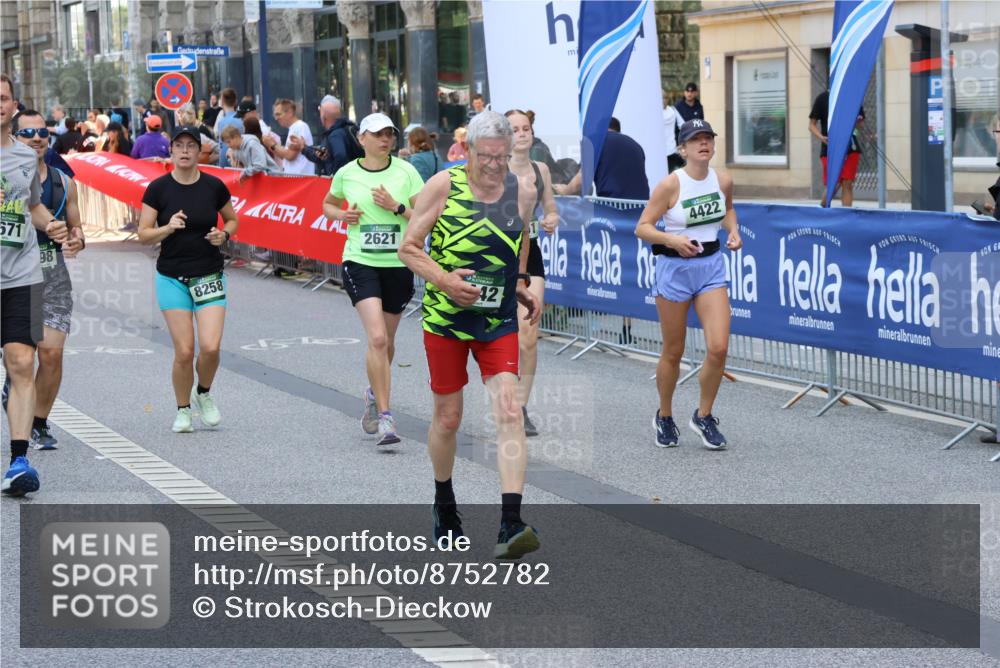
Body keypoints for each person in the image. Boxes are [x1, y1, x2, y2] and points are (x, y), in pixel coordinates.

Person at [399, 111, 542, 560]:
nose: (495, 166)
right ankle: (444, 504)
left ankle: (510, 522)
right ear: (468, 152)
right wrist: (444, 280)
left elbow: (518, 239)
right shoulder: (444, 185)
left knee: (508, 408)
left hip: (495, 319)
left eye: (502, 157)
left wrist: (519, 282)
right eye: (487, 157)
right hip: (446, 319)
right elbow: (409, 247)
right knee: (448, 417)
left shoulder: (521, 190)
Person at [635, 119, 741, 451]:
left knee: (719, 347)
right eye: (695, 139)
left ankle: (704, 415)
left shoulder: (722, 180)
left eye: (708, 137)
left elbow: (728, 209)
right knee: (673, 350)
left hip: (711, 266)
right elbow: (643, 227)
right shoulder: (670, 185)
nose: (703, 143)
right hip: (675, 268)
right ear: (683, 148)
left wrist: (733, 230)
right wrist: (672, 239)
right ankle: (665, 415)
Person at [321, 113, 424, 447]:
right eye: (378, 134)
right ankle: (385, 416)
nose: (385, 140)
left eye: (390, 134)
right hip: (360, 260)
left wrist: (396, 207)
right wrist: (342, 214)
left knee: (388, 343)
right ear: (362, 138)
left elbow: (425, 216)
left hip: (398, 261)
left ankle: (372, 391)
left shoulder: (406, 171)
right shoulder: (347, 173)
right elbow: (328, 204)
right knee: (377, 338)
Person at [137, 125, 239, 434]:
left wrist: (224, 234)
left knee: (210, 347)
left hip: (208, 273)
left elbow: (232, 220)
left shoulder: (213, 186)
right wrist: (167, 228)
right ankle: (183, 410)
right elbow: (143, 234)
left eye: (190, 146)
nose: (184, 151)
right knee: (184, 350)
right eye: (178, 145)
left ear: (199, 151)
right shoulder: (158, 189)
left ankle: (203, 393)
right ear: (171, 150)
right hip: (172, 277)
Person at [1, 75, 70, 495]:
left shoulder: (25, 159)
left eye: (4, 98)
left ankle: (18, 460)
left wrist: (54, 225)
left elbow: (32, 206)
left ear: (12, 105)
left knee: (22, 362)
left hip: (21, 274)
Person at [13, 110, 85, 450]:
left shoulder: (64, 182)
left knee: (52, 354)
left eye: (42, 132)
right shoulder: (6, 176)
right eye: (27, 133)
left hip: (54, 276)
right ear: (15, 137)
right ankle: (16, 384)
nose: (37, 138)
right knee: (23, 357)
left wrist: (76, 240)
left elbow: (78, 229)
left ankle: (39, 422)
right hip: (12, 275)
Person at [504, 110, 558, 437]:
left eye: (526, 128)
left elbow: (550, 207)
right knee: (500, 333)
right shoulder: (495, 167)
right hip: (499, 253)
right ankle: (504, 396)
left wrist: (551, 219)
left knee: (528, 336)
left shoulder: (541, 169)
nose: (522, 134)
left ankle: (520, 407)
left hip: (532, 252)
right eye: (515, 129)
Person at [809, 89, 865, 208]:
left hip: (851, 147)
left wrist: (856, 120)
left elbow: (860, 125)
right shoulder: (822, 98)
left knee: (847, 183)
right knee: (834, 184)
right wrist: (821, 137)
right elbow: (811, 125)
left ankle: (846, 217)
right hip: (830, 148)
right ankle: (822, 209)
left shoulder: (853, 96)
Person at [299, 95, 361, 176]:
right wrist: (304, 148)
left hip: (341, 184)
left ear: (323, 116)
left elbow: (340, 156)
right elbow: (322, 156)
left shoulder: (335, 135)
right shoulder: (347, 129)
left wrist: (334, 176)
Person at [268, 98, 314, 176]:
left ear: (290, 113)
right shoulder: (295, 127)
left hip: (300, 181)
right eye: (275, 115)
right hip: (297, 180)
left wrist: (272, 144)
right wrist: (273, 145)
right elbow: (287, 155)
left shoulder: (299, 127)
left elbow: (290, 155)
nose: (276, 118)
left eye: (278, 114)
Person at [213, 88, 242, 168]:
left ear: (221, 102)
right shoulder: (241, 119)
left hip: (228, 166)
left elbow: (223, 149)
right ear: (235, 101)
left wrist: (222, 167)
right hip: (241, 164)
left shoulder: (222, 123)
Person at [662, 91, 684, 173]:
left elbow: (683, 126)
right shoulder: (653, 112)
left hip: (672, 151)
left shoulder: (673, 110)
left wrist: (682, 143)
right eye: (661, 98)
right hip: (659, 153)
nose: (663, 100)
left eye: (665, 97)